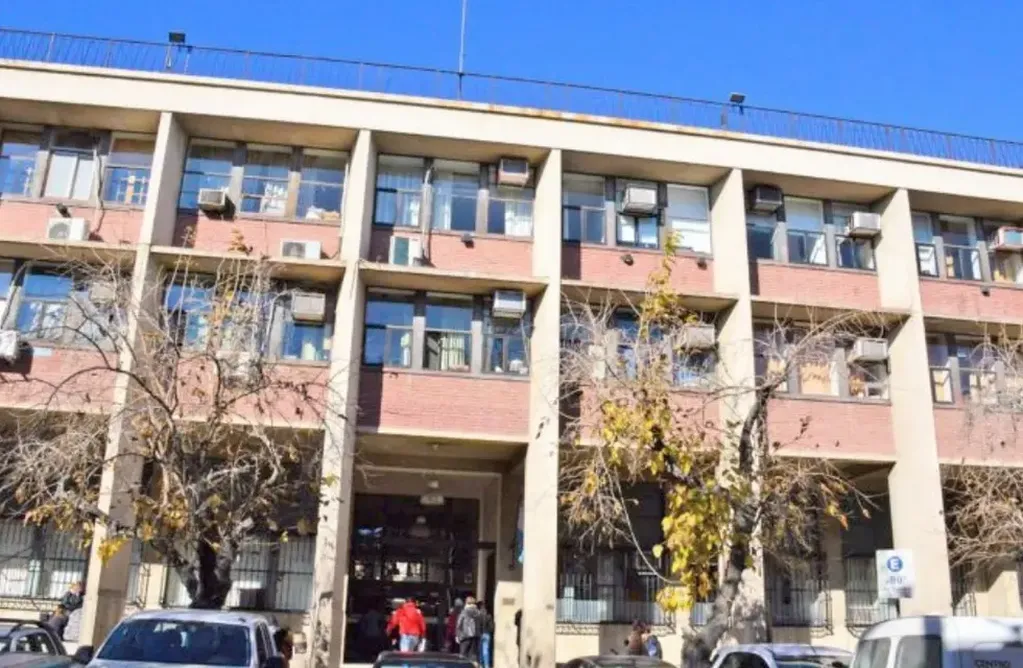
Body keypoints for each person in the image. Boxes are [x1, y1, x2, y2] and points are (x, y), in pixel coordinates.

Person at [455, 595, 483, 662]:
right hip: (475, 636)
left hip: (465, 636)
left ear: (467, 603)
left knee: (463, 656)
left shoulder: (464, 612)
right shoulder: (478, 613)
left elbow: (459, 624)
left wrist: (457, 635)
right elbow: (481, 624)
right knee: (473, 656)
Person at [478, 601, 494, 668]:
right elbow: (491, 627)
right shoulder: (489, 616)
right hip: (487, 634)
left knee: (480, 650)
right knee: (486, 650)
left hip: (480, 634)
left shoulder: (478, 615)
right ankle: (487, 665)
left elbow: (477, 625)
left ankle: (481, 664)